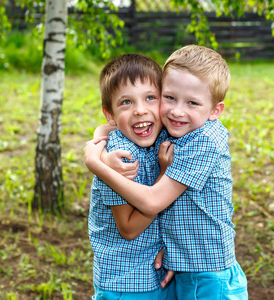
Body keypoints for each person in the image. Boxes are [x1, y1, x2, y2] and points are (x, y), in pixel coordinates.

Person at [84, 45, 248, 299]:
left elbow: (153, 201)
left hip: (206, 272)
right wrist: (101, 148)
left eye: (192, 102)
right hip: (173, 270)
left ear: (215, 110)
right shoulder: (171, 130)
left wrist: (97, 164)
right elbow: (111, 128)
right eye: (169, 98)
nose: (177, 110)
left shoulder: (201, 140)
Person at [88, 53, 175, 300]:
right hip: (125, 281)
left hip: (159, 274)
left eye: (150, 98)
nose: (140, 110)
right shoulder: (118, 158)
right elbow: (127, 228)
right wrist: (164, 175)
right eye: (126, 102)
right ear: (111, 114)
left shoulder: (163, 136)